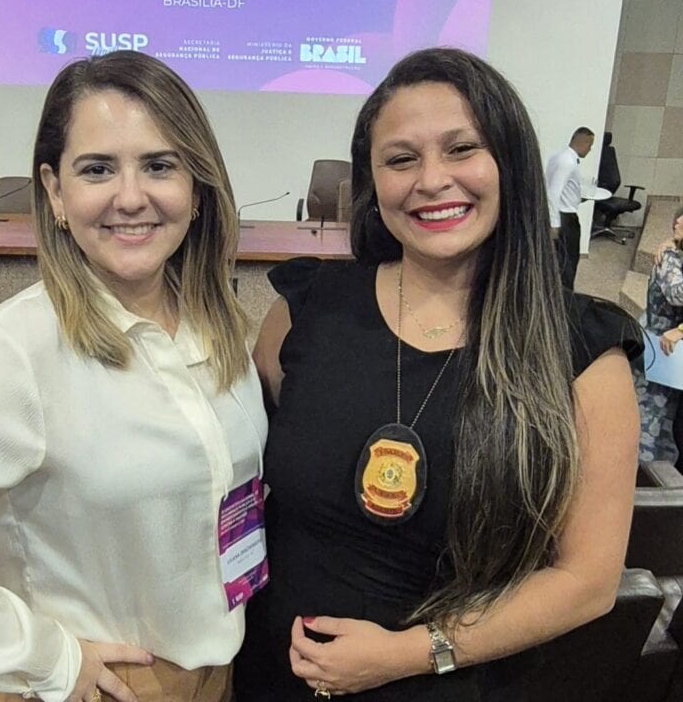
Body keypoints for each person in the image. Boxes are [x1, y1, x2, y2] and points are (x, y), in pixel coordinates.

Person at [0, 51, 267, 702]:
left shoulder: (217, 325)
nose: (131, 197)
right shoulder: (16, 351)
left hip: (216, 672)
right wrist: (46, 661)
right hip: (99, 687)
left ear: (198, 187)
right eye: (97, 169)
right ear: (55, 193)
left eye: (159, 165)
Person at [235, 48, 640, 701]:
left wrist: (406, 654)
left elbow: (587, 581)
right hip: (271, 681)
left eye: (461, 149)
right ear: (372, 183)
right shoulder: (306, 308)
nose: (431, 180)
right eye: (401, 159)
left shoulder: (580, 351)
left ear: (508, 163)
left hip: (448, 686)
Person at [635, 206, 683, 462]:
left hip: (674, 352)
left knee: (668, 419)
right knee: (651, 417)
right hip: (659, 349)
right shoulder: (671, 257)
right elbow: (676, 294)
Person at [545, 127, 595, 291]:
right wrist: (554, 224)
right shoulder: (568, 162)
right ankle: (565, 299)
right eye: (590, 145)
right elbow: (553, 192)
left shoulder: (558, 157)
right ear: (584, 142)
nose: (590, 149)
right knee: (568, 263)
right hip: (564, 219)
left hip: (560, 214)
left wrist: (577, 198)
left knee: (560, 262)